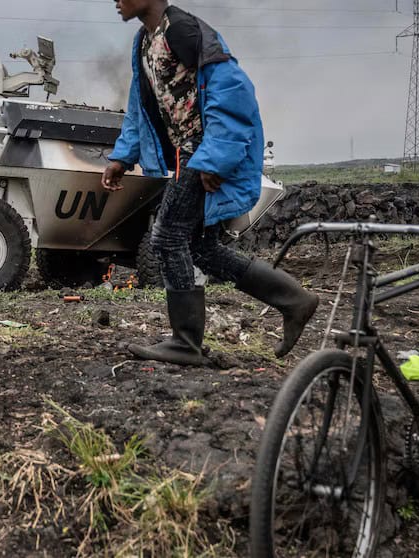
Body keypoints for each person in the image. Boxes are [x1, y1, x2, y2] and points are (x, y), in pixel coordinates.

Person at [103, 0, 319, 366]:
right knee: (201, 248)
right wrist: (123, 157)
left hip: (201, 152)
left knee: (168, 235)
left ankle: (185, 342)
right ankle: (294, 300)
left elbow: (234, 90)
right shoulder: (144, 40)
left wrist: (214, 159)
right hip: (186, 154)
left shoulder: (182, 31)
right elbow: (141, 107)